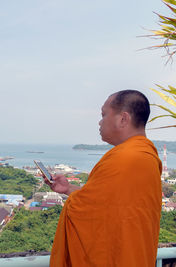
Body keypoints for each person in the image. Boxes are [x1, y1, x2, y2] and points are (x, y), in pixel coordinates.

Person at [44, 90, 162, 266]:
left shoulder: (125, 158)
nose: (100, 122)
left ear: (123, 119)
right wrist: (68, 189)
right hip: (137, 255)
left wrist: (73, 201)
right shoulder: (146, 155)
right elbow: (106, 201)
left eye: (104, 115)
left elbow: (88, 212)